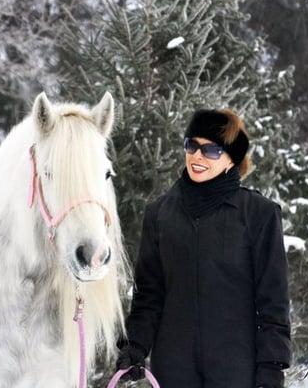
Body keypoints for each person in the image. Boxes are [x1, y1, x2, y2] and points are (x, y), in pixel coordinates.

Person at [115, 109, 291, 388]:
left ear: (232, 159)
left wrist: (271, 367)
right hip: (173, 370)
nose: (197, 156)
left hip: (236, 371)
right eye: (192, 145)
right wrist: (135, 346)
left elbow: (273, 301)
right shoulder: (159, 213)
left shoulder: (259, 214)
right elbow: (149, 294)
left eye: (211, 150)